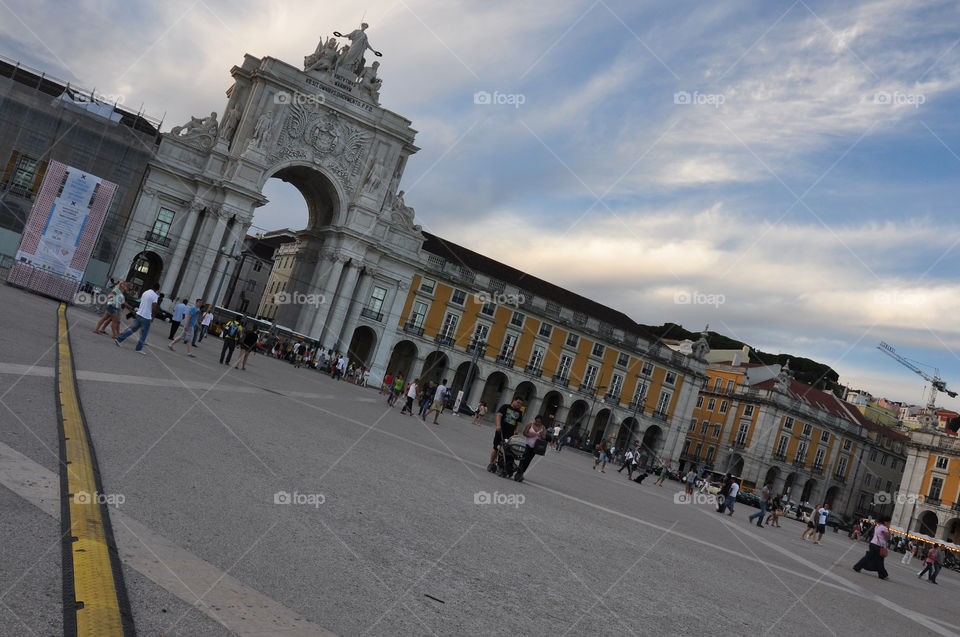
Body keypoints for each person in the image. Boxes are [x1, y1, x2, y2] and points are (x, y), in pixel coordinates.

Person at [115, 286, 159, 355]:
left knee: (132, 329)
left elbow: (141, 302)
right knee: (144, 333)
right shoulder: (155, 295)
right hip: (146, 316)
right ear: (157, 290)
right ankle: (138, 348)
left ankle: (119, 339)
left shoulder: (145, 292)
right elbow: (154, 307)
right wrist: (153, 316)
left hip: (139, 314)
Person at [488, 397, 523, 472]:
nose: (519, 405)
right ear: (513, 401)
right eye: (518, 402)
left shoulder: (519, 412)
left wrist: (516, 432)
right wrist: (498, 425)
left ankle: (499, 466)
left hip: (510, 434)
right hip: (501, 431)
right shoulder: (505, 407)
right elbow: (499, 415)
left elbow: (519, 423)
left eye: (520, 404)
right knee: (496, 447)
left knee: (505, 450)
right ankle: (491, 463)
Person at [852, 515, 891, 579]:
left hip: (873, 543)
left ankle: (857, 566)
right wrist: (888, 528)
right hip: (878, 546)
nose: (889, 524)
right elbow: (888, 537)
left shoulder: (877, 526)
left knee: (868, 557)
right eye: (889, 522)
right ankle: (883, 575)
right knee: (879, 560)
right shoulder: (884, 528)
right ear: (886, 522)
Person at [514, 415, 546, 483]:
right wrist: (530, 435)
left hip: (535, 447)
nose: (537, 423)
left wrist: (541, 434)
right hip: (527, 444)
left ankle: (522, 472)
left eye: (539, 422)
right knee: (523, 458)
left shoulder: (543, 428)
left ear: (541, 422)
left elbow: (544, 437)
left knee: (528, 460)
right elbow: (524, 433)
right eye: (536, 421)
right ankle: (518, 472)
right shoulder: (530, 425)